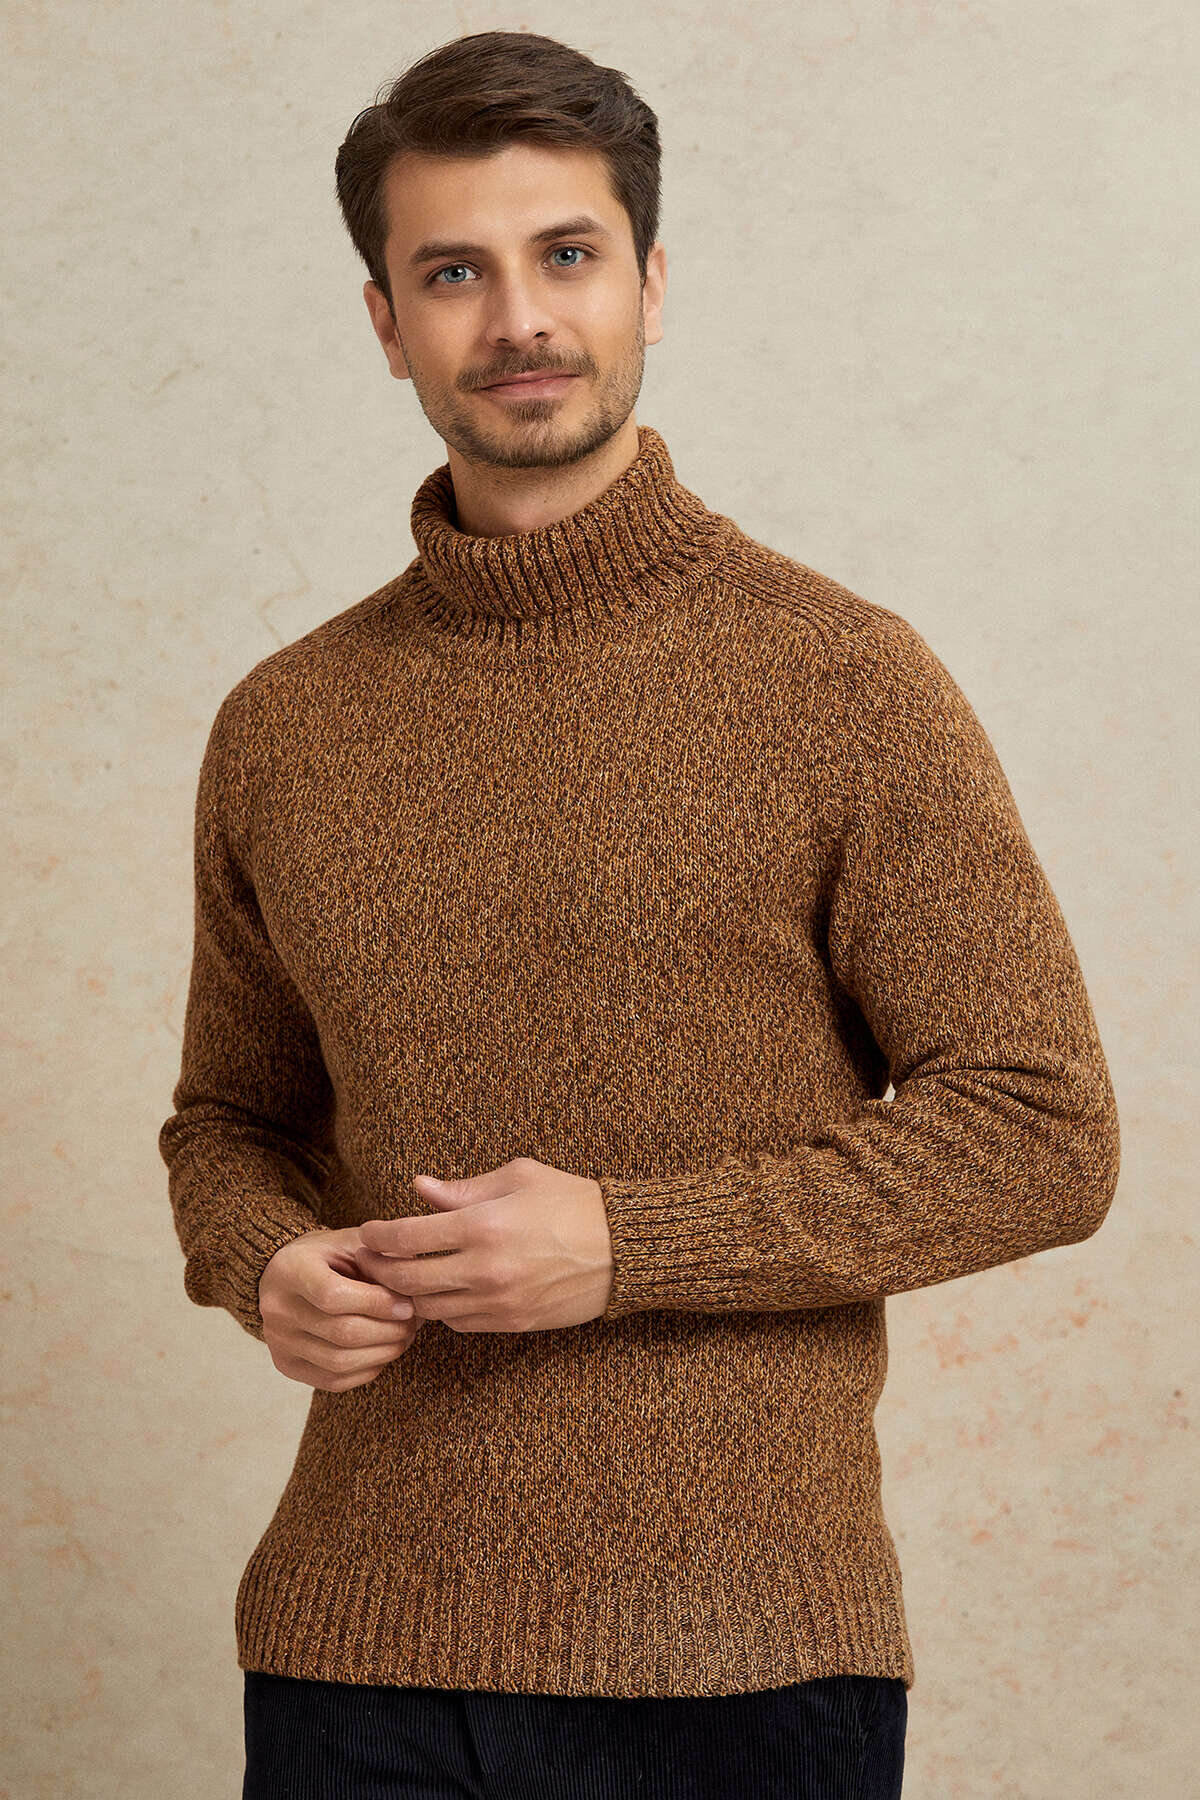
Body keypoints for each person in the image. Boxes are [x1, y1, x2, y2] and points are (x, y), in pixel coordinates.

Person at [158, 29, 1121, 1800]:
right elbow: (231, 1119)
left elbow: (1043, 1132)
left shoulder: (841, 680)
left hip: (745, 1664)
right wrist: (265, 1259)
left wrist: (628, 1246)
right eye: (454, 272)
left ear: (650, 285)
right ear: (386, 322)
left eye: (567, 254)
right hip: (349, 1654)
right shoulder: (284, 722)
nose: (519, 318)